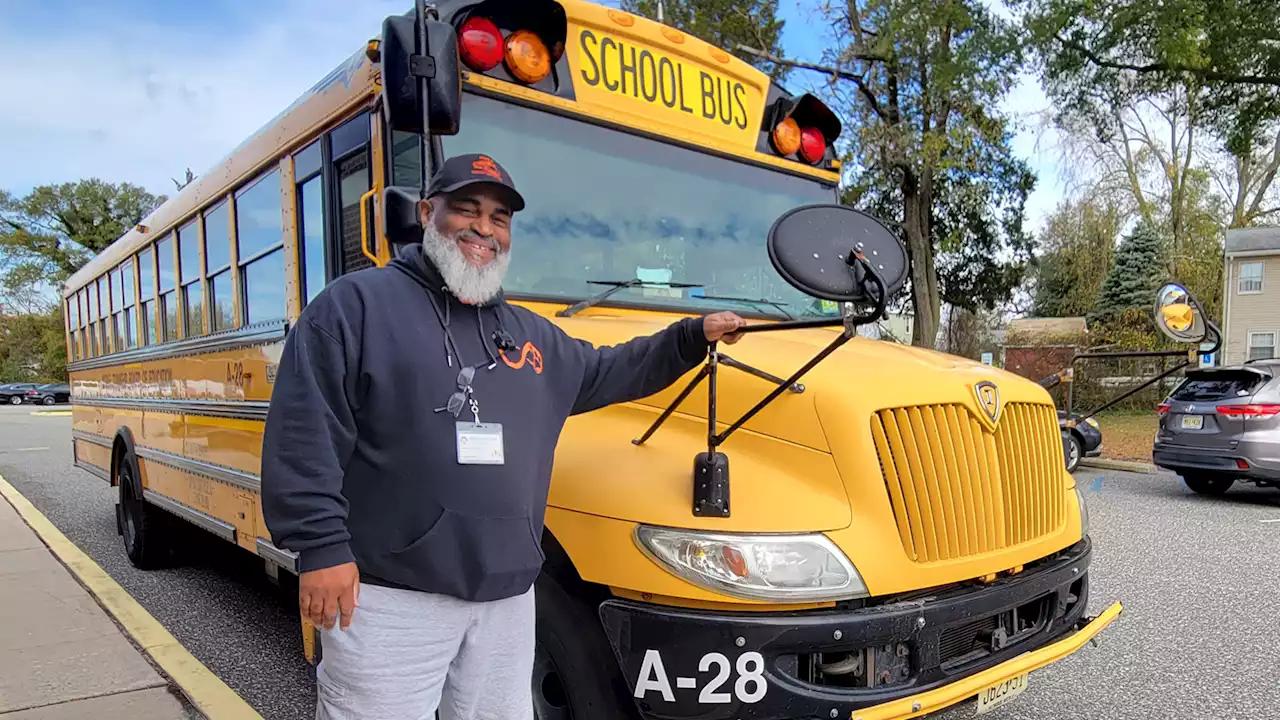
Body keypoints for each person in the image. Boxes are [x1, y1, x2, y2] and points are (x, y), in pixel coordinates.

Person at [260, 153, 746, 720]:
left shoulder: (529, 336)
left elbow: (613, 369)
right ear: (426, 213)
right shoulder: (356, 308)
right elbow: (306, 432)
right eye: (466, 210)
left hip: (507, 604)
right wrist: (320, 548)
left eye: (499, 217)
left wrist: (691, 337)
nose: (483, 229)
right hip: (391, 601)